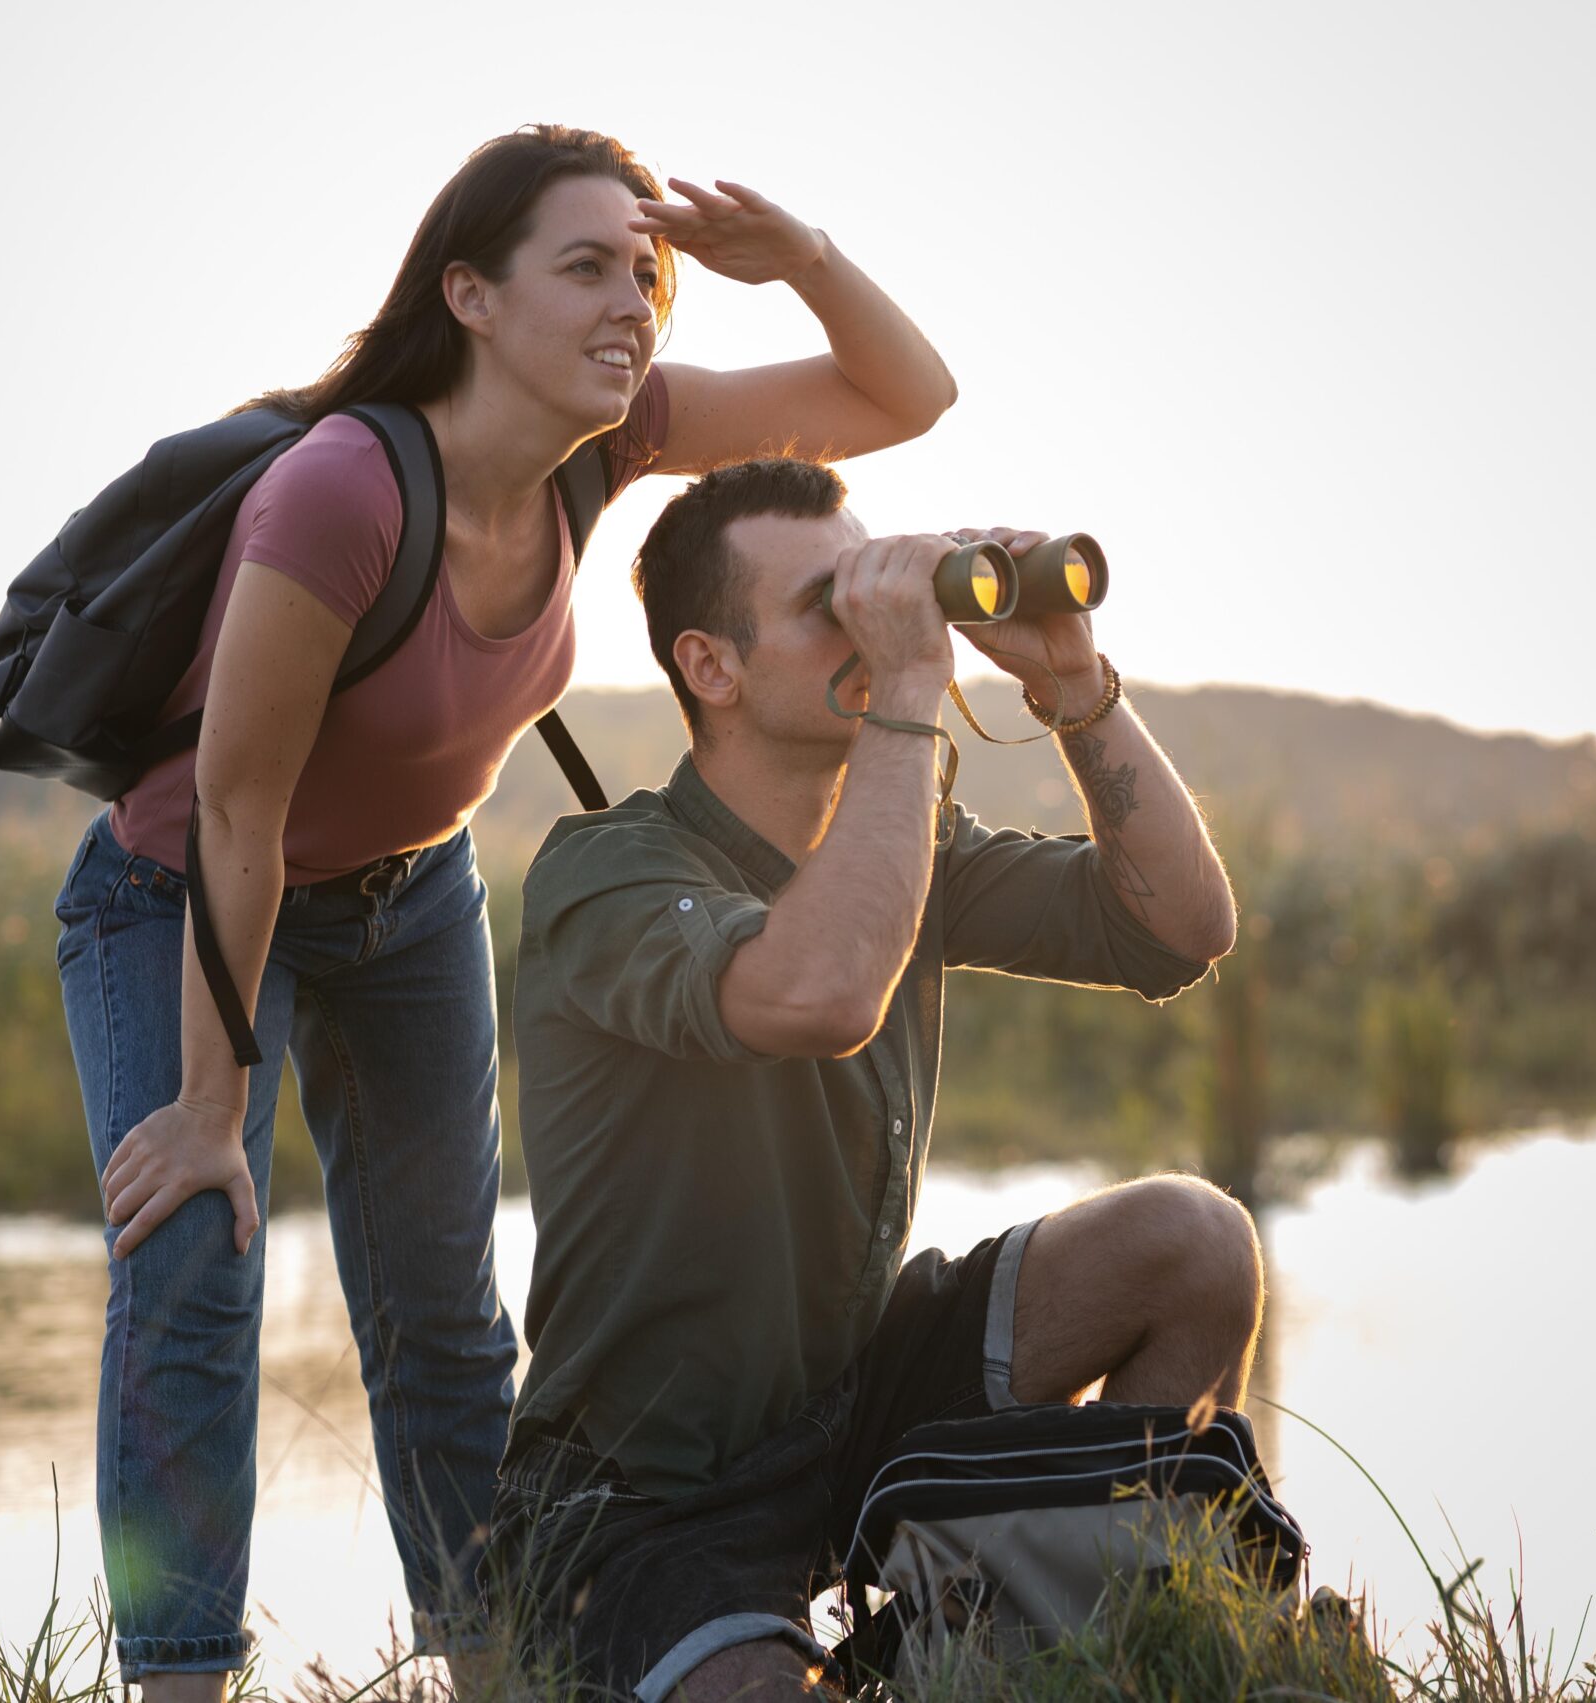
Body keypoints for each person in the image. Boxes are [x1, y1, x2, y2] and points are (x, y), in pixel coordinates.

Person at [50, 127, 957, 1697]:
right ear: (468, 294)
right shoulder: (341, 491)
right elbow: (239, 810)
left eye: (648, 271)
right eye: (588, 266)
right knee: (196, 1256)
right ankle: (182, 1679)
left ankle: (498, 1671)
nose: (637, 303)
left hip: (408, 900)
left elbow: (906, 397)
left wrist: (797, 253)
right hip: (183, 887)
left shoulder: (610, 441)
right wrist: (213, 1108)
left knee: (445, 1316)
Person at [487, 457, 1262, 1701]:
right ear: (711, 665)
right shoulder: (606, 871)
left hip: (853, 1401)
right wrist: (908, 690)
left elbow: (1181, 925)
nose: (872, 622)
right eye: (825, 603)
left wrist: (1073, 684)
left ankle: (1055, 1629)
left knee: (1195, 1242)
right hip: (645, 1488)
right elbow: (822, 992)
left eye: (874, 586)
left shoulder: (909, 846)